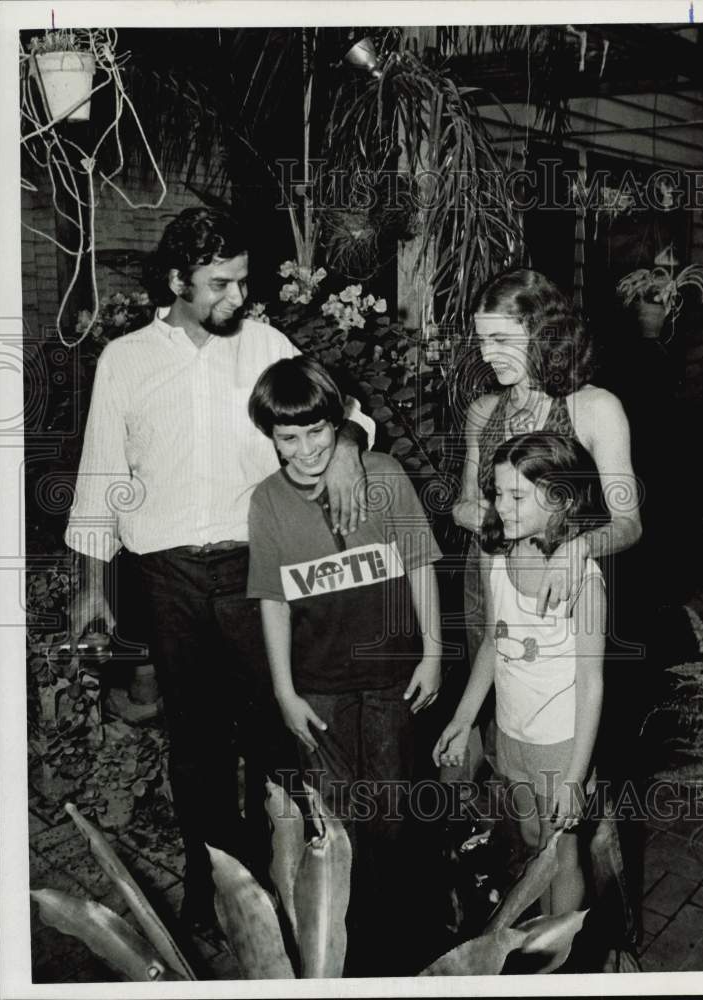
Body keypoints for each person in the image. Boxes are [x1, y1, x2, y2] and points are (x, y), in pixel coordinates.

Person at [64, 207, 374, 930]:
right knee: (197, 746)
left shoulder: (265, 343)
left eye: (242, 282)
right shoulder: (127, 360)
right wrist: (89, 588)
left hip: (253, 567)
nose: (238, 298)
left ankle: (288, 877)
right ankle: (214, 890)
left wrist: (352, 443)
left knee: (277, 733)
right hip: (166, 576)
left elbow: (341, 412)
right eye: (220, 284)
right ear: (177, 280)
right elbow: (100, 474)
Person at [246, 355, 442, 974]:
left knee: (391, 815)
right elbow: (273, 599)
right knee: (337, 825)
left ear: (339, 423)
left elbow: (421, 564)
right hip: (320, 689)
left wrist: (434, 651)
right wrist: (284, 691)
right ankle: (347, 956)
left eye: (318, 431)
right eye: (288, 437)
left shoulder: (381, 474)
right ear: (271, 437)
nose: (305, 450)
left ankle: (399, 948)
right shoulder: (268, 501)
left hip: (391, 679)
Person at [435, 431, 609, 916]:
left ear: (559, 500)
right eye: (496, 492)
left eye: (515, 496)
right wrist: (463, 718)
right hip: (512, 731)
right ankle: (538, 937)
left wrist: (576, 776)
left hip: (559, 744)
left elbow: (592, 683)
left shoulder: (584, 583)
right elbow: (493, 642)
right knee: (533, 836)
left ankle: (561, 951)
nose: (499, 506)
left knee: (562, 850)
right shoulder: (496, 554)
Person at [453, 268, 641, 622]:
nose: (487, 355)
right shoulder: (482, 412)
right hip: (489, 589)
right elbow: (466, 501)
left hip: (563, 591)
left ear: (542, 333)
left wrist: (579, 547)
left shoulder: (595, 409)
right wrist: (465, 512)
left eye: (501, 340)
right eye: (481, 341)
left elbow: (629, 523)